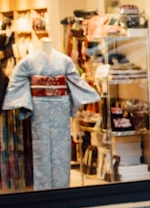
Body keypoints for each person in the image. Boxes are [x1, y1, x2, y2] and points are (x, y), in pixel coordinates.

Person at [2, 36, 100, 189]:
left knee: (62, 146)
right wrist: (24, 103)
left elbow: (75, 80)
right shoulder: (29, 61)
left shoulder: (64, 60)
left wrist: (82, 98)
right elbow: (17, 79)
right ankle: (43, 188)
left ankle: (62, 187)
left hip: (60, 104)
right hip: (38, 106)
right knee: (41, 147)